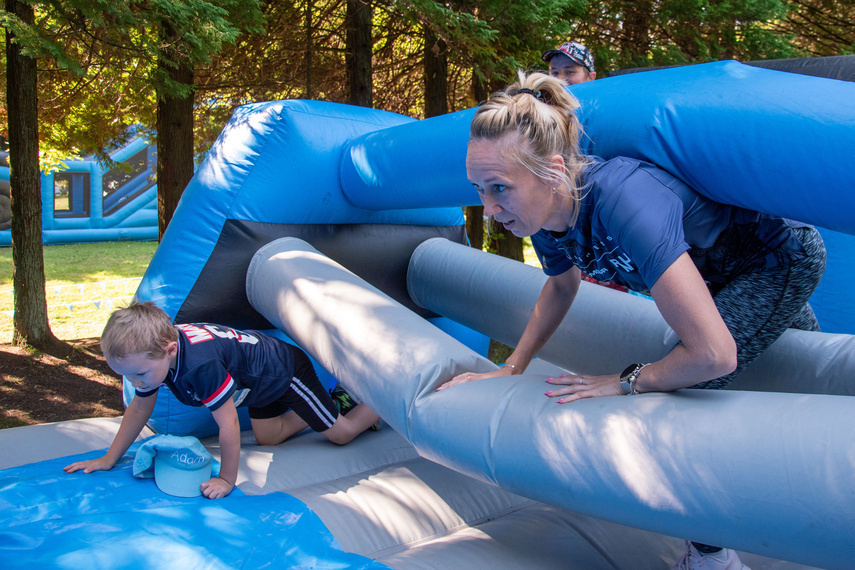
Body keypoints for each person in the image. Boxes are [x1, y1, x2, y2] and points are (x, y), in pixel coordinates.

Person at [438, 71, 826, 570]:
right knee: (811, 379)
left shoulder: (622, 196)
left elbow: (713, 353)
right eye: (478, 190)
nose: (488, 210)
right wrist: (512, 366)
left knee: (684, 388)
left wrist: (627, 381)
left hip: (775, 260)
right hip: (717, 280)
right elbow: (561, 286)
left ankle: (711, 557)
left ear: (554, 172)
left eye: (499, 189)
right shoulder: (546, 216)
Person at [65, 301, 380, 499]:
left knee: (341, 434)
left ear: (169, 350)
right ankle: (329, 402)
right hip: (256, 384)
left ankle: (379, 398)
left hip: (283, 373)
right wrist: (109, 459)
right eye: (129, 376)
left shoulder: (200, 366)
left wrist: (227, 479)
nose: (137, 384)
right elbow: (139, 406)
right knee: (268, 438)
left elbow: (227, 423)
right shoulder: (156, 355)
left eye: (141, 375)